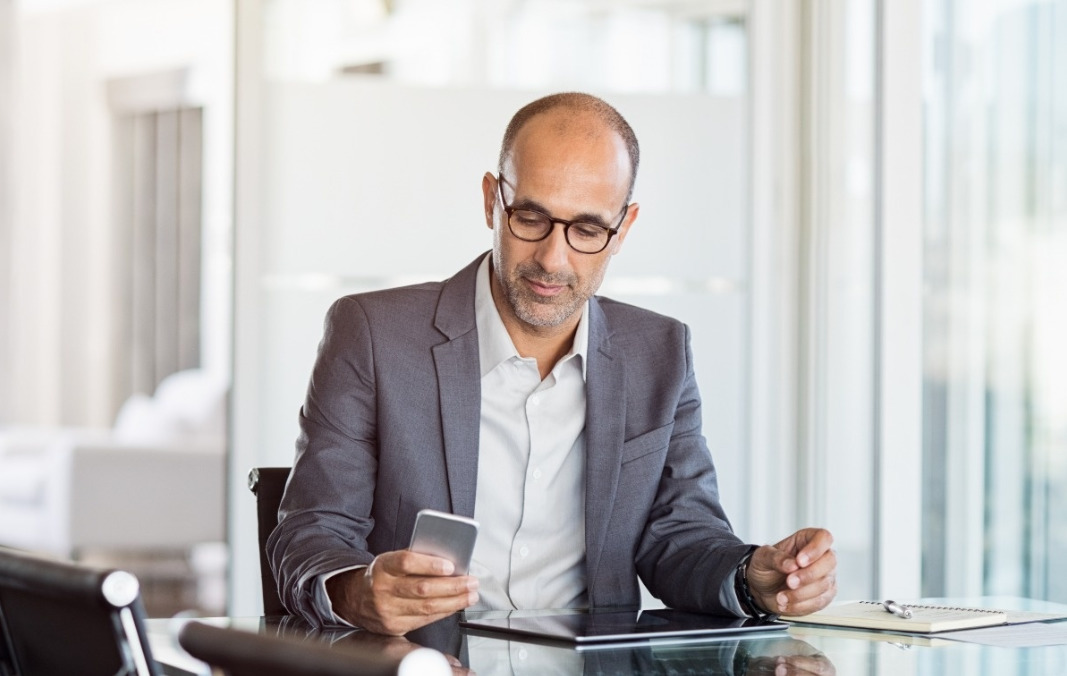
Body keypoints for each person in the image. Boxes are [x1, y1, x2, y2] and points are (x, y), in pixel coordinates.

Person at [268, 92, 837, 636]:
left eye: (587, 229)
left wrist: (751, 578)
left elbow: (681, 538)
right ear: (492, 200)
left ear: (623, 229)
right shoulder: (374, 335)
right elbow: (312, 532)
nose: (552, 258)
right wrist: (356, 590)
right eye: (530, 217)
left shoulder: (660, 352)